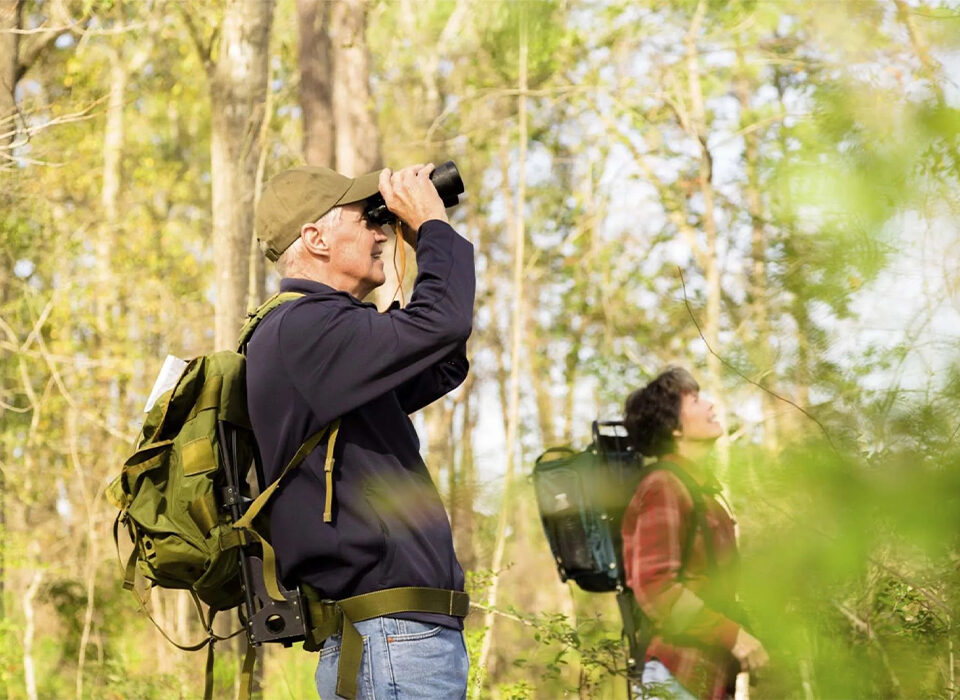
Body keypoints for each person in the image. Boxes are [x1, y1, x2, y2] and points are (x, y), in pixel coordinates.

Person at [247, 163, 475, 699]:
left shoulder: (315, 332)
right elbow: (441, 324)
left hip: (389, 642)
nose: (381, 232)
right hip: (390, 642)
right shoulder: (305, 327)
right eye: (367, 219)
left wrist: (421, 243)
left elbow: (439, 358)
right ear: (316, 238)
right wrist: (434, 228)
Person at [621, 367, 768, 700]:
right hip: (676, 677)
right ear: (673, 427)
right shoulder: (663, 486)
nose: (711, 405)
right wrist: (732, 636)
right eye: (696, 400)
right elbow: (656, 587)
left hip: (703, 679)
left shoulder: (699, 490)